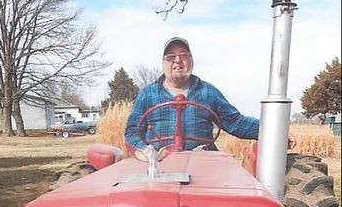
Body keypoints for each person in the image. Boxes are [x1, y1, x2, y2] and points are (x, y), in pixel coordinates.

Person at [125, 37, 295, 151]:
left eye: (183, 55)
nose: (177, 60)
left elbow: (235, 122)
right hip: (159, 166)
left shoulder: (208, 92)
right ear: (164, 63)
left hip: (203, 164)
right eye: (171, 57)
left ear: (191, 61)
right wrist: (147, 153)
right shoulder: (147, 95)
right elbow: (132, 131)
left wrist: (275, 131)